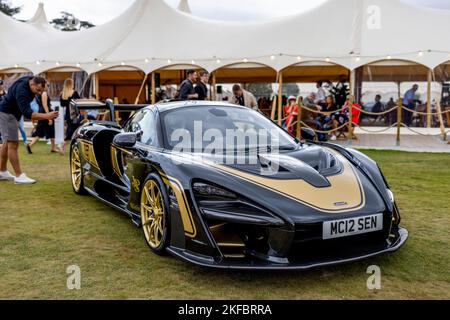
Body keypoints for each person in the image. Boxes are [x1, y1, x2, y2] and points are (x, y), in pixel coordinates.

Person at [0, 76, 58, 184]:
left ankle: (2, 171)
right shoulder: (22, 91)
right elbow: (28, 113)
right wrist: (47, 116)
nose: (39, 93)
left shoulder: (30, 79)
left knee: (6, 143)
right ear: (32, 84)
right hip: (8, 114)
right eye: (38, 90)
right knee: (13, 144)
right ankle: (19, 176)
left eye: (42, 91)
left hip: (9, 113)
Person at [59, 78, 80, 154]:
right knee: (74, 131)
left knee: (72, 131)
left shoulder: (63, 94)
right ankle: (62, 145)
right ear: (71, 84)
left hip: (68, 115)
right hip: (74, 114)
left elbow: (62, 105)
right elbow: (78, 103)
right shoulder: (74, 93)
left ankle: (66, 146)